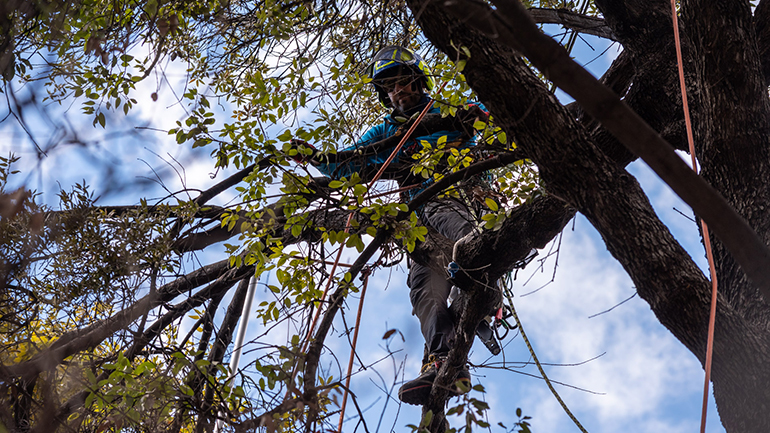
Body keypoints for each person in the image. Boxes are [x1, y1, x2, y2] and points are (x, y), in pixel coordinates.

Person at [294, 46, 490, 406]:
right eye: (389, 87)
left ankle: (487, 286)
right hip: (416, 220)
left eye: (403, 83)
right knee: (422, 292)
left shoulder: (444, 111)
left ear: (418, 82)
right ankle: (444, 360)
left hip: (453, 194)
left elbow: (487, 122)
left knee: (467, 238)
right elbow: (350, 165)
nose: (397, 91)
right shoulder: (385, 130)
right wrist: (318, 158)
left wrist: (471, 119)